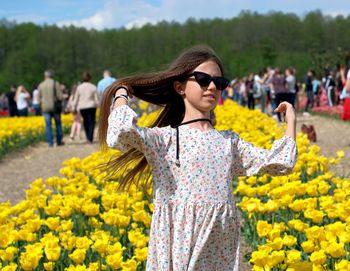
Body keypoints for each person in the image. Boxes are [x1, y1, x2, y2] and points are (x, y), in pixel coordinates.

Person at [98, 45, 297, 271]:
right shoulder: (164, 140)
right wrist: (121, 93)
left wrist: (290, 121)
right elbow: (121, 134)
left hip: (220, 248)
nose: (212, 86)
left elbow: (280, 163)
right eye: (203, 79)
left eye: (220, 83)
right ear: (179, 87)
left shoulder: (229, 142)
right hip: (178, 245)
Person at [38, 70, 64, 147]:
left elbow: (38, 98)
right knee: (58, 123)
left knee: (48, 125)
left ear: (45, 76)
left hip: (45, 107)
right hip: (55, 106)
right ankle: (59, 141)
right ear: (52, 76)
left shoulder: (41, 85)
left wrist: (41, 105)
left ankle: (50, 142)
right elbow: (60, 97)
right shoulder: (55, 83)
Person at [73, 72, 99, 143]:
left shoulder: (79, 87)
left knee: (85, 121)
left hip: (83, 107)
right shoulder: (93, 87)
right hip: (91, 106)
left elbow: (76, 98)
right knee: (92, 122)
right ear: (90, 78)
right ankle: (90, 137)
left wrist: (74, 107)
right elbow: (96, 99)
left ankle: (88, 136)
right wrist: (99, 105)